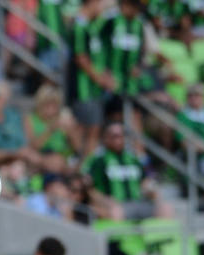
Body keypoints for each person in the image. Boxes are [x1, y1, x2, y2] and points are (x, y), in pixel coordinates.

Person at [84, 122, 172, 220]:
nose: (119, 139)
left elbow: (144, 183)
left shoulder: (133, 159)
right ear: (106, 138)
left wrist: (152, 192)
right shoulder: (99, 161)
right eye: (115, 136)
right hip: (116, 205)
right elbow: (90, 190)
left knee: (165, 208)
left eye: (122, 136)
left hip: (138, 203)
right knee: (116, 211)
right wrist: (105, 201)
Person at [69, 0, 114, 157]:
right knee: (89, 130)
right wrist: (101, 79)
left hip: (93, 90)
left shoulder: (91, 26)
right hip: (84, 90)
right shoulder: (80, 26)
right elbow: (80, 57)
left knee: (93, 130)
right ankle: (85, 167)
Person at [176, 84, 204, 186]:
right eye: (190, 95)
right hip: (201, 160)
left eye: (197, 95)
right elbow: (186, 144)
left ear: (203, 97)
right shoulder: (183, 116)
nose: (194, 98)